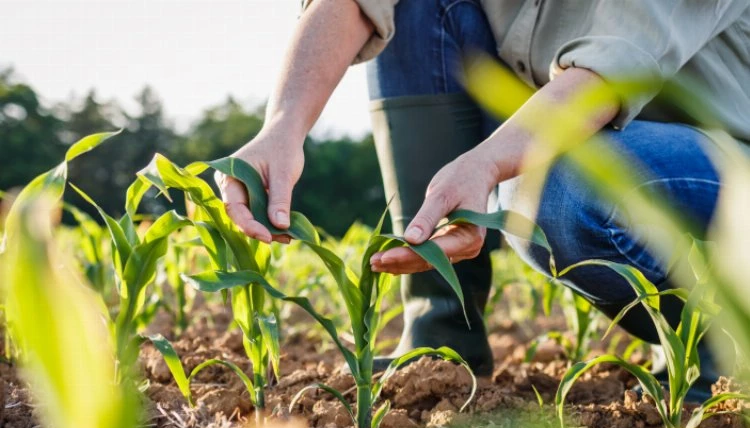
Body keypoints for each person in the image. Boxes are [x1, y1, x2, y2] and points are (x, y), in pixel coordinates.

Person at [215, 0, 750, 397]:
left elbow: (607, 73)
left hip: (724, 165)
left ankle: (726, 349)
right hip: (590, 138)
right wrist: (284, 125)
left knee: (552, 188)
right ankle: (442, 338)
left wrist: (488, 165)